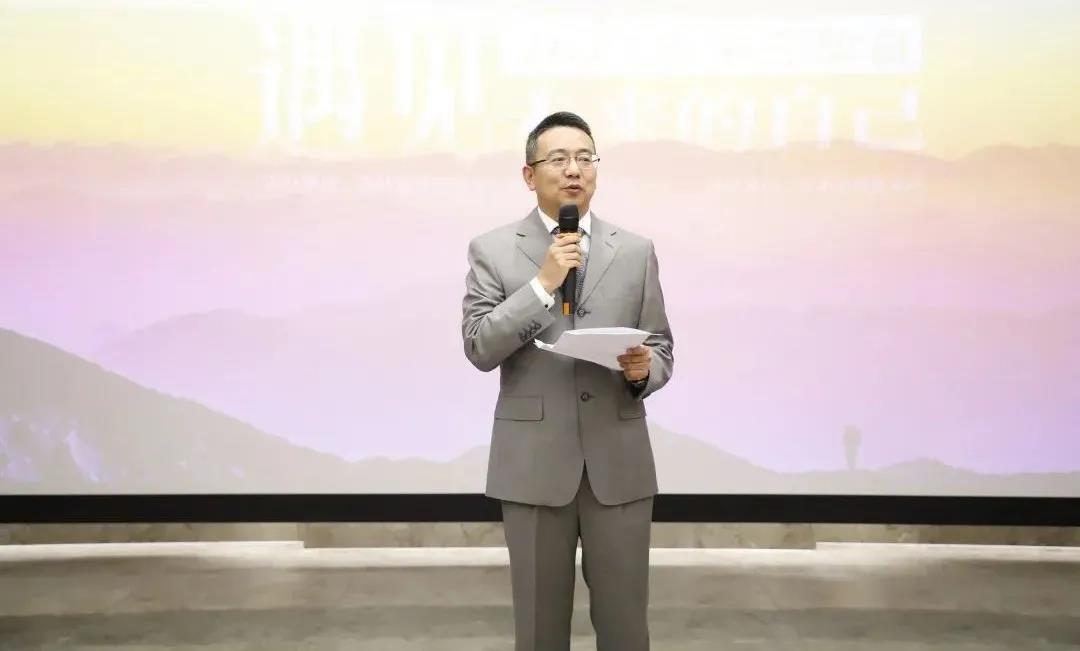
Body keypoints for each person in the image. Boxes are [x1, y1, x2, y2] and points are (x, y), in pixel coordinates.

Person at [461, 111, 674, 651]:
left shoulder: (635, 251)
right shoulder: (492, 249)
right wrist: (543, 284)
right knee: (539, 632)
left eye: (584, 157)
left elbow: (661, 346)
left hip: (618, 463)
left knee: (627, 631)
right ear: (529, 175)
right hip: (532, 465)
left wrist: (645, 371)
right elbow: (480, 346)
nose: (574, 169)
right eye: (558, 159)